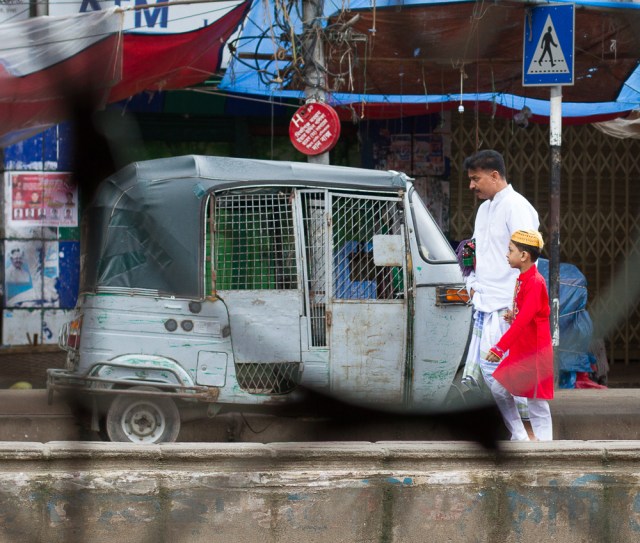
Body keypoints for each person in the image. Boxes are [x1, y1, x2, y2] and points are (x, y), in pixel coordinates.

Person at [461, 150, 540, 425]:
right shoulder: (484, 209)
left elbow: (528, 259)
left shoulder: (516, 206)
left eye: (475, 178)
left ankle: (529, 436)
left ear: (494, 175)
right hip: (485, 303)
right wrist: (470, 283)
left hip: (508, 307)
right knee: (493, 374)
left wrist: (521, 305)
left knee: (512, 376)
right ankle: (518, 434)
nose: (471, 185)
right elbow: (473, 251)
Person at [486, 230, 554, 441]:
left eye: (511, 250)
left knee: (536, 402)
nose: (507, 254)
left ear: (524, 255)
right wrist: (512, 315)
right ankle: (520, 435)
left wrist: (499, 348)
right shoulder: (525, 278)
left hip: (533, 351)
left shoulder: (534, 281)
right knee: (500, 389)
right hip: (523, 349)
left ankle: (545, 449)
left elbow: (525, 319)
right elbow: (525, 314)